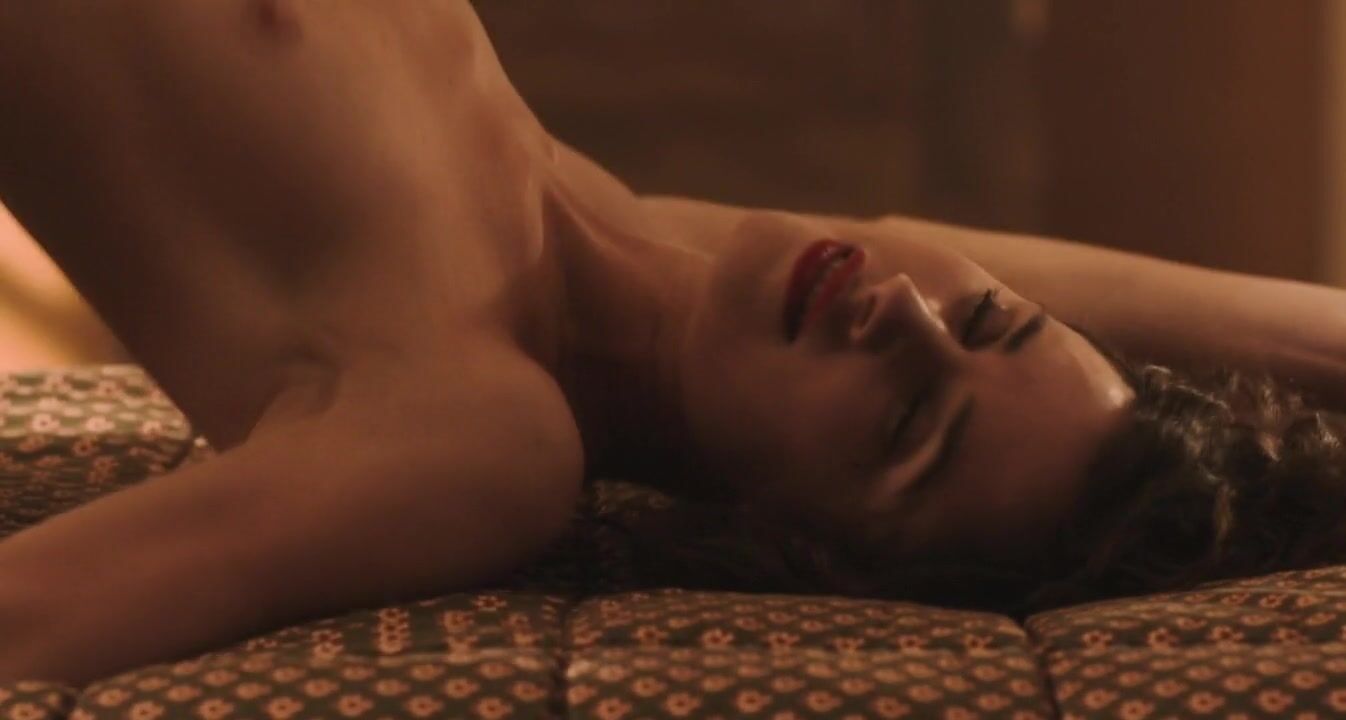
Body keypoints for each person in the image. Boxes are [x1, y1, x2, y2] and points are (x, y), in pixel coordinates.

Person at [1, 0, 1344, 684]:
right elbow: (1290, 336)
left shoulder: (485, 431)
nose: (901, 315)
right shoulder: (611, 231)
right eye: (984, 316)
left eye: (906, 425)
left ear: (796, 547)